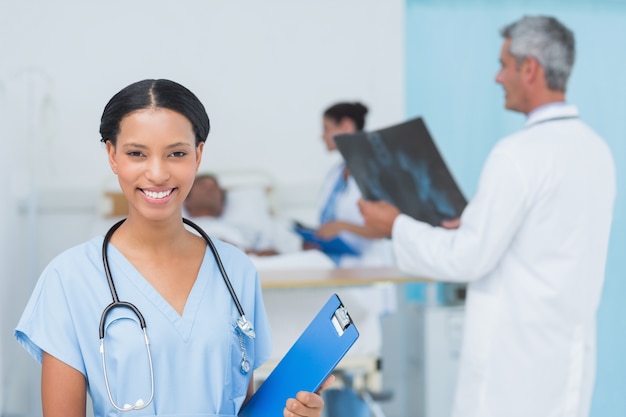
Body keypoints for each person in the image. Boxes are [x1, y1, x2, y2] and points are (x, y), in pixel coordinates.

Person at [14, 79, 331, 417]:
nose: (157, 173)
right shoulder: (70, 278)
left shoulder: (235, 270)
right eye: (137, 153)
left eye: (176, 153)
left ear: (198, 155)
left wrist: (292, 412)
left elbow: (243, 405)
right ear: (112, 155)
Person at [358, 15, 616, 417]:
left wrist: (395, 227)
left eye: (503, 65)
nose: (497, 78)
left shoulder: (517, 155)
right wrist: (478, 221)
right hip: (566, 363)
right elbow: (547, 239)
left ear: (529, 68)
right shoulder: (596, 151)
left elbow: (466, 258)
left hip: (512, 373)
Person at [309, 101, 393, 267]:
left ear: (346, 126)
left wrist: (341, 227)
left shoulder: (375, 170)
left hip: (370, 267)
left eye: (326, 129)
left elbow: (386, 228)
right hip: (338, 266)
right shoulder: (336, 173)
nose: (322, 136)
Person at [184, 173, 278, 256]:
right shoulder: (179, 228)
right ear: (187, 201)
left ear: (222, 205)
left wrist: (242, 252)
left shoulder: (245, 230)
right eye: (202, 186)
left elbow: (274, 256)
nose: (210, 189)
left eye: (214, 188)